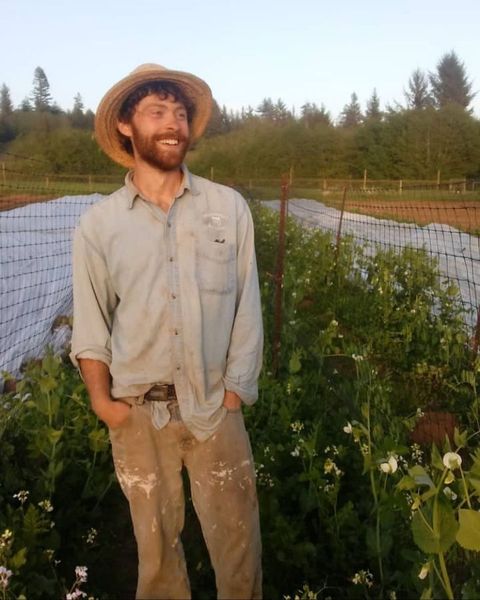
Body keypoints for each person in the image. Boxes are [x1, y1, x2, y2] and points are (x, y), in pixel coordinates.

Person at [70, 64, 263, 599]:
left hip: (214, 408)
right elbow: (91, 324)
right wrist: (103, 403)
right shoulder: (100, 226)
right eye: (158, 112)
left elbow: (249, 304)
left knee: (240, 551)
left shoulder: (228, 208)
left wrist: (234, 392)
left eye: (180, 113)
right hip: (137, 415)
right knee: (155, 559)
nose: (173, 123)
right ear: (127, 127)